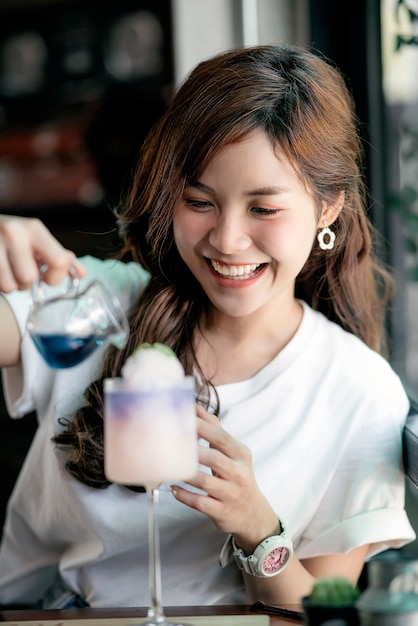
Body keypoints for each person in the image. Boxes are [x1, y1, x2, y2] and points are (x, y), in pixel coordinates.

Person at [0, 43, 415, 609]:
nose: (226, 240)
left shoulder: (359, 393)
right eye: (200, 200)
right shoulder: (96, 308)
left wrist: (258, 527)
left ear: (327, 210)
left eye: (263, 209)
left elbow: (322, 611)